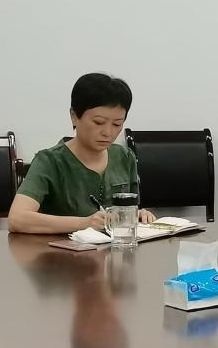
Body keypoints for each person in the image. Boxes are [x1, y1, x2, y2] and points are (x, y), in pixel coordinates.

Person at [9, 73, 155, 234]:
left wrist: (136, 215)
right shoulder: (49, 161)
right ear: (74, 116)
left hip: (115, 248)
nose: (107, 132)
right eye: (98, 122)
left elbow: (130, 208)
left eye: (117, 124)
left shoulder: (125, 157)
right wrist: (84, 223)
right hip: (60, 248)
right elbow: (17, 219)